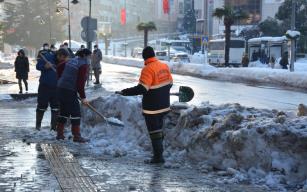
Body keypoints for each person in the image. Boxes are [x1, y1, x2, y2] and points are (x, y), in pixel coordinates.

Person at [116, 46, 173, 164]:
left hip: (152, 108)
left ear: (144, 57)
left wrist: (125, 92)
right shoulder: (164, 66)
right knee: (159, 130)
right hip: (164, 105)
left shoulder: (148, 69)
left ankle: (158, 157)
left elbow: (142, 88)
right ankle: (159, 155)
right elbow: (170, 83)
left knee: (154, 132)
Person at [56, 48, 91, 143]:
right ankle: (76, 136)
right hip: (68, 90)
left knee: (64, 111)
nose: (89, 58)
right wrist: (83, 97)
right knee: (76, 113)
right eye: (89, 56)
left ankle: (59, 134)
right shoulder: (83, 65)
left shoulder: (72, 60)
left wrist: (61, 79)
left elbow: (59, 67)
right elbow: (80, 83)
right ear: (84, 55)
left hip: (60, 88)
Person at [36, 43, 59, 131]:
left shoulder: (63, 60)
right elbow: (38, 66)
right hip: (44, 86)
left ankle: (53, 127)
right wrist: (45, 66)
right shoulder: (46, 56)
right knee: (41, 106)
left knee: (56, 107)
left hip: (57, 87)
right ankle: (38, 126)